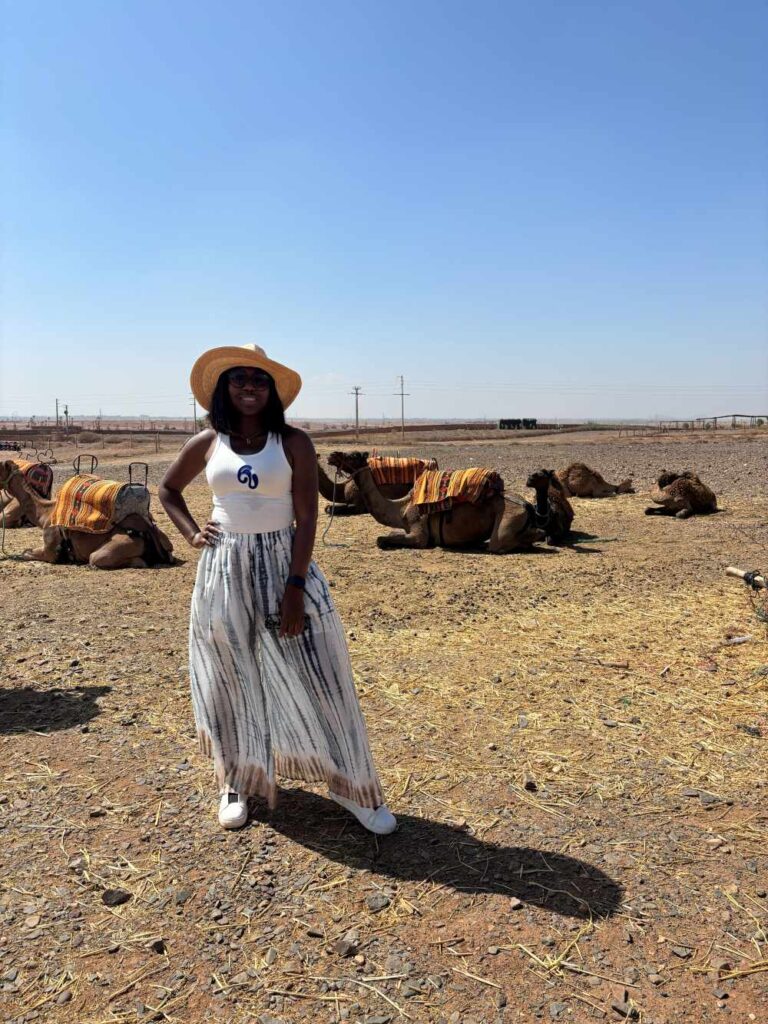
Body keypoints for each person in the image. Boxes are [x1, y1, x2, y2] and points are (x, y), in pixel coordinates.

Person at [159, 343, 395, 834]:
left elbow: (307, 516)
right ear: (224, 388)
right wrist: (190, 533)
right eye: (239, 378)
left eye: (259, 379)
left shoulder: (294, 442)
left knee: (323, 674)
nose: (249, 386)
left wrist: (294, 586)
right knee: (229, 673)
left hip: (285, 561)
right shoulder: (207, 442)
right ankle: (236, 779)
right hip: (224, 568)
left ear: (271, 391)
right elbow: (168, 490)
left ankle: (351, 786)